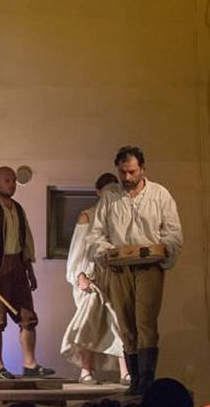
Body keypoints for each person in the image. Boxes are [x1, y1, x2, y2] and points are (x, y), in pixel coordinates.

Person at [86, 146, 184, 395]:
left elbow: (173, 234)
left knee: (146, 323)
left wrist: (162, 251)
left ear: (142, 169)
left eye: (131, 172)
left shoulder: (159, 195)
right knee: (125, 325)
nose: (127, 178)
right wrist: (108, 252)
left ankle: (147, 380)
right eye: (122, 172)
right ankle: (135, 378)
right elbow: (95, 234)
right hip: (119, 270)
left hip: (148, 267)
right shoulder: (110, 195)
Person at [0, 166, 54, 379]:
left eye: (14, 181)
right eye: (7, 181)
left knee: (27, 316)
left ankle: (30, 364)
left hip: (17, 265)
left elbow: (25, 239)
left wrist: (29, 269)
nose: (11, 184)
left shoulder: (17, 208)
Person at [60, 172, 129, 385]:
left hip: (114, 276)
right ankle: (85, 371)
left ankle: (126, 372)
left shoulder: (120, 218)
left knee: (120, 323)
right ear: (98, 193)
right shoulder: (88, 216)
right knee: (88, 323)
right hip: (91, 278)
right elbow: (77, 251)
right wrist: (78, 275)